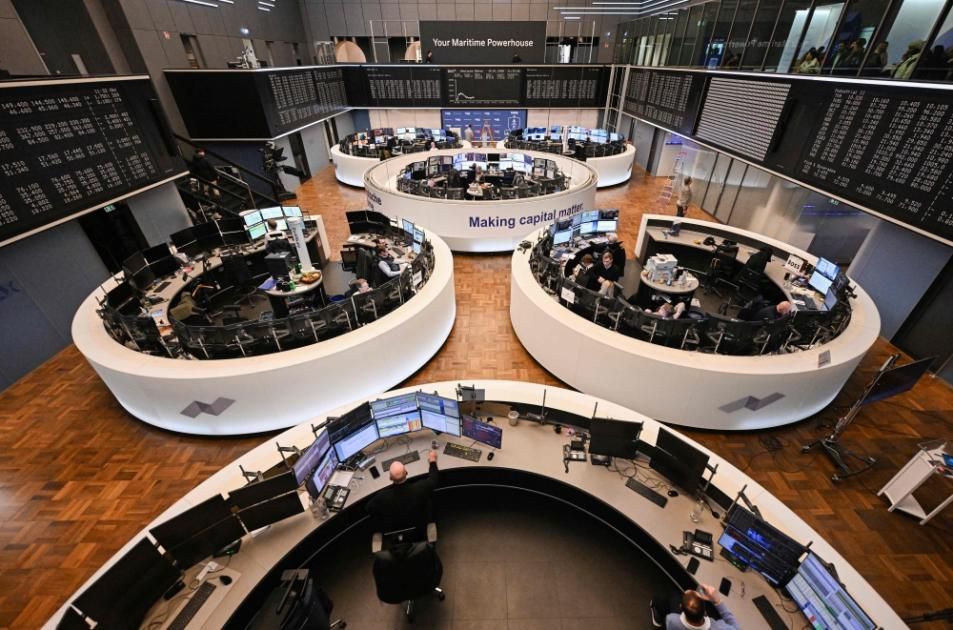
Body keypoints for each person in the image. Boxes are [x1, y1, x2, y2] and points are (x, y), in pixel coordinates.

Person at [366, 447, 439, 534]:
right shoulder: (420, 488)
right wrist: (432, 460)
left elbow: (368, 508)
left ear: (390, 478)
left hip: (392, 527)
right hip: (419, 524)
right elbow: (434, 479)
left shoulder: (381, 497)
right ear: (406, 472)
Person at [651, 584, 739, 629]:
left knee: (673, 595)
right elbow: (736, 627)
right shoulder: (719, 628)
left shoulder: (671, 619)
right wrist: (717, 601)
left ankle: (657, 616)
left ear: (681, 607)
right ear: (705, 612)